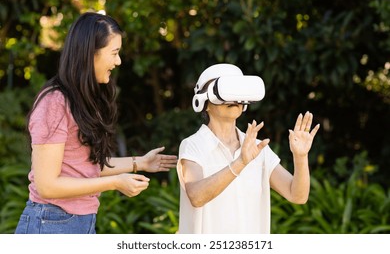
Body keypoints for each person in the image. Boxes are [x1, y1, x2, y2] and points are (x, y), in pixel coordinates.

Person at [14, 12, 177, 234]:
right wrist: (115, 182)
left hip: (79, 222)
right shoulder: (54, 103)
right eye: (114, 53)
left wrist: (141, 163)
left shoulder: (81, 100)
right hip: (50, 223)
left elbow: (83, 168)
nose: (118, 61)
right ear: (90, 53)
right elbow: (47, 185)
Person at [177, 63, 320, 233]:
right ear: (204, 102)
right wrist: (240, 162)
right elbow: (196, 196)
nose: (233, 98)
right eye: (225, 90)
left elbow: (298, 196)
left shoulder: (258, 148)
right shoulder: (193, 145)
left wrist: (300, 157)